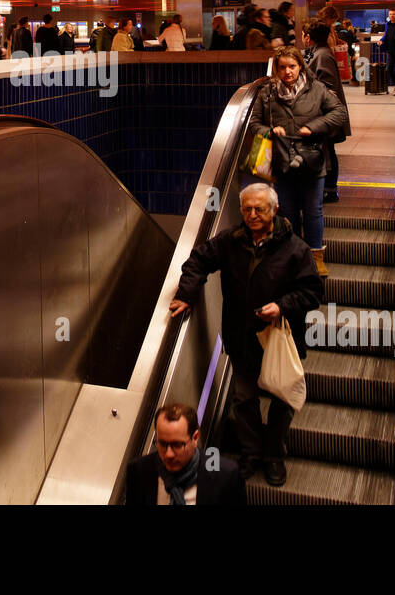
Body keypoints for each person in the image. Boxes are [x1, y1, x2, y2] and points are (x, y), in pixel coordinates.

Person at [169, 184, 323, 486]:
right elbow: (198, 260)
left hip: (281, 340)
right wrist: (187, 293)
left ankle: (274, 456)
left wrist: (281, 306)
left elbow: (313, 292)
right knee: (244, 400)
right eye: (246, 209)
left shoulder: (296, 249)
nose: (252, 215)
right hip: (242, 337)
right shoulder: (230, 241)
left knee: (282, 401)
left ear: (274, 210)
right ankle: (252, 454)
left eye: (259, 209)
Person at [247, 44, 347, 276]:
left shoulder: (317, 89)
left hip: (312, 158)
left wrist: (313, 127)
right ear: (276, 69)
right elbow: (254, 124)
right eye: (282, 68)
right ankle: (294, 256)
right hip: (282, 161)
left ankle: (315, 258)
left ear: (300, 66)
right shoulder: (267, 93)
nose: (287, 72)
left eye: (292, 66)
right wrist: (270, 132)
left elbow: (338, 112)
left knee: (313, 210)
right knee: (288, 212)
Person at [124, 403, 245, 505]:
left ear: (195, 438)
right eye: (162, 444)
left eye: (177, 445)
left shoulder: (226, 476)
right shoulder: (139, 471)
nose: (169, 454)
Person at [305, 22, 351, 204]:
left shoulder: (322, 55)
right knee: (327, 151)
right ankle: (328, 189)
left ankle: (330, 190)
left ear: (309, 37)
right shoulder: (320, 53)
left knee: (328, 151)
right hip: (325, 113)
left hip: (326, 115)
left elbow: (328, 87)